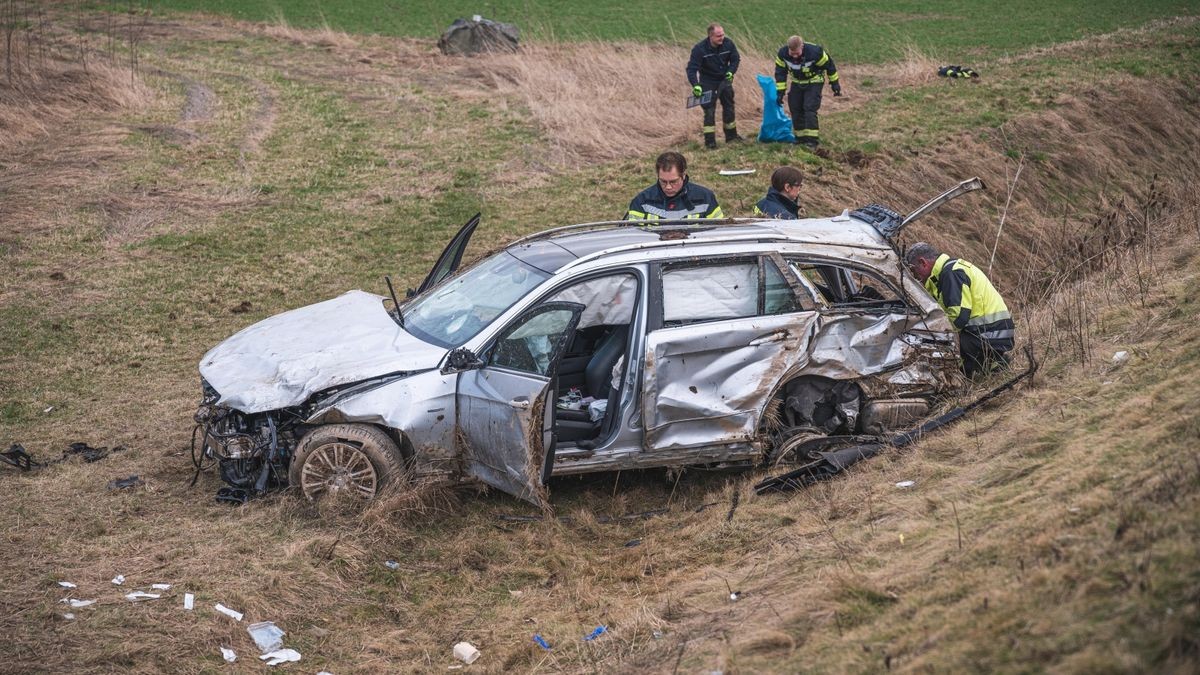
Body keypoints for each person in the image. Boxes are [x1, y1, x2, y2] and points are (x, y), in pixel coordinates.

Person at [904, 242, 1015, 378]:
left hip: (990, 333)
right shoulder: (947, 271)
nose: (915, 277)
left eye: (914, 271)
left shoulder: (951, 273)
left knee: (936, 349)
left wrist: (931, 335)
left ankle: (986, 365)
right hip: (994, 331)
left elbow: (958, 317)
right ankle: (989, 365)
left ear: (923, 262)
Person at [774, 35, 841, 149]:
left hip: (814, 81)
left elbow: (830, 66)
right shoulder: (782, 54)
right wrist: (780, 92)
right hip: (797, 82)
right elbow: (780, 73)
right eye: (792, 53)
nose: (794, 56)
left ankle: (812, 140)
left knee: (809, 108)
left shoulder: (815, 53)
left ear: (802, 46)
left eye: (797, 53)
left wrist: (834, 83)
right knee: (795, 107)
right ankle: (800, 138)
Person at [686, 23, 742, 149]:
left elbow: (735, 59)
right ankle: (710, 142)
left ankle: (731, 137)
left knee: (729, 107)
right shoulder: (699, 49)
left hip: (724, 80)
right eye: (718, 36)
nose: (722, 37)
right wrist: (696, 85)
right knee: (709, 110)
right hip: (707, 82)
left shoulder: (728, 44)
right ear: (710, 36)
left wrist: (730, 72)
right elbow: (691, 69)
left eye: (722, 34)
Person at [625, 151, 724, 221]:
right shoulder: (642, 201)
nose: (668, 187)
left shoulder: (705, 198)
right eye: (663, 181)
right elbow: (634, 237)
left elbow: (717, 233)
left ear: (683, 175)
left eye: (673, 182)